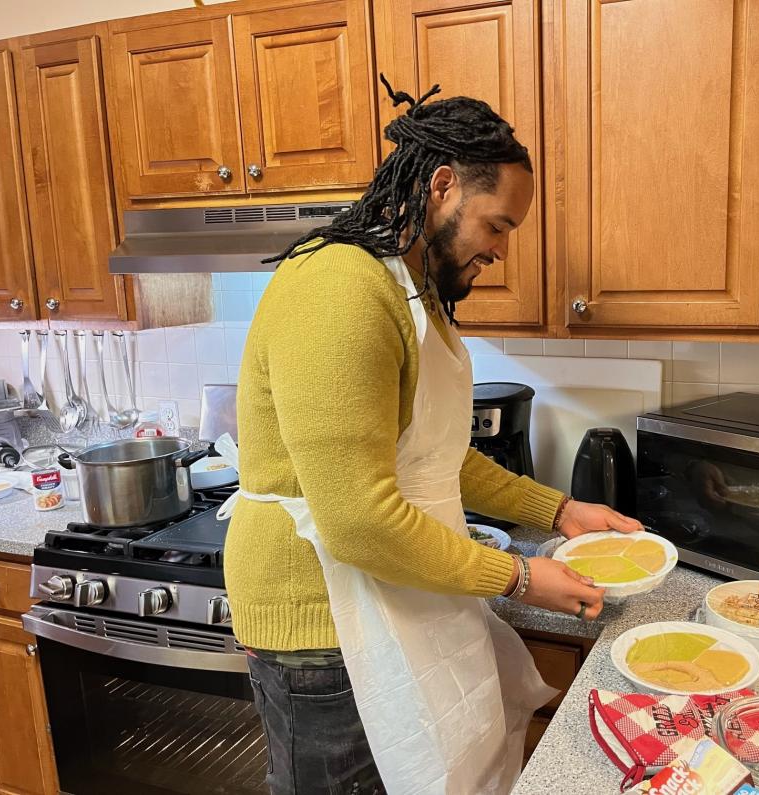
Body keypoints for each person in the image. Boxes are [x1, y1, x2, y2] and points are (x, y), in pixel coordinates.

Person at [223, 77, 643, 795]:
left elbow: (436, 452)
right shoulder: (340, 289)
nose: (502, 251)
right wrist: (518, 576)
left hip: (384, 598)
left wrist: (559, 511)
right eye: (498, 226)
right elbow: (356, 520)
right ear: (442, 186)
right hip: (323, 628)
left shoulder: (409, 289)